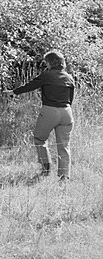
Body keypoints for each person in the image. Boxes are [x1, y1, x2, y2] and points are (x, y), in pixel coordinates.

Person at [12, 50, 75, 180]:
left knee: (39, 139)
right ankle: (64, 177)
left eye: (46, 62)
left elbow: (30, 85)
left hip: (50, 111)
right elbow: (71, 99)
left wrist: (14, 92)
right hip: (67, 112)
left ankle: (45, 169)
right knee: (64, 145)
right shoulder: (69, 77)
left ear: (50, 62)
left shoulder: (46, 75)